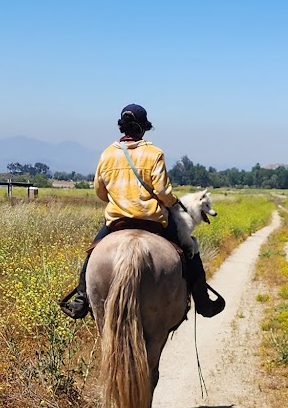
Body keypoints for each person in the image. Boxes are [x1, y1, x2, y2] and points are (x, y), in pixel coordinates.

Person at [60, 103, 225, 321]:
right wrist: (173, 201)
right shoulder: (154, 154)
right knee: (189, 251)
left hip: (117, 222)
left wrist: (120, 198)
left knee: (92, 254)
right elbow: (163, 192)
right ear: (144, 128)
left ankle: (81, 299)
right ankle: (203, 301)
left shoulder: (107, 154)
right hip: (152, 222)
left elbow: (100, 192)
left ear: (122, 127)